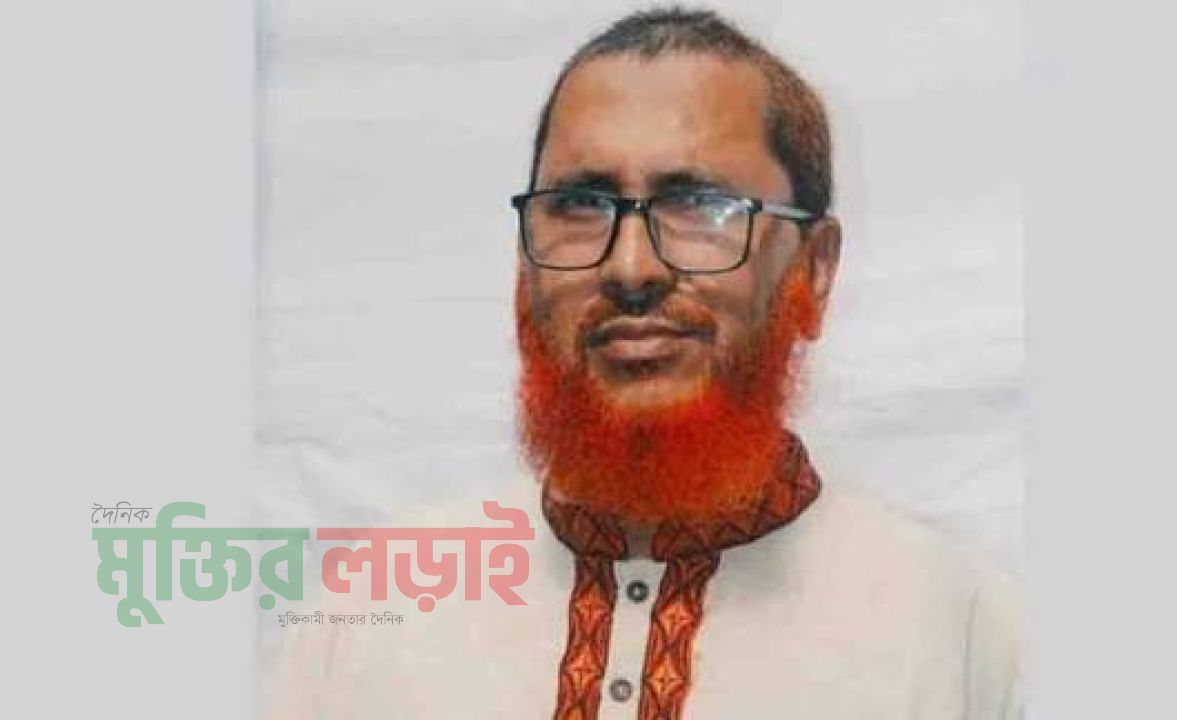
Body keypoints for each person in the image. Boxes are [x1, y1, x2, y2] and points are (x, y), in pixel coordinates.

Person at [262, 8, 1021, 719]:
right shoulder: (371, 606)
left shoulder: (960, 628)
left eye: (700, 207)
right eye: (580, 206)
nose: (630, 268)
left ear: (814, 269)